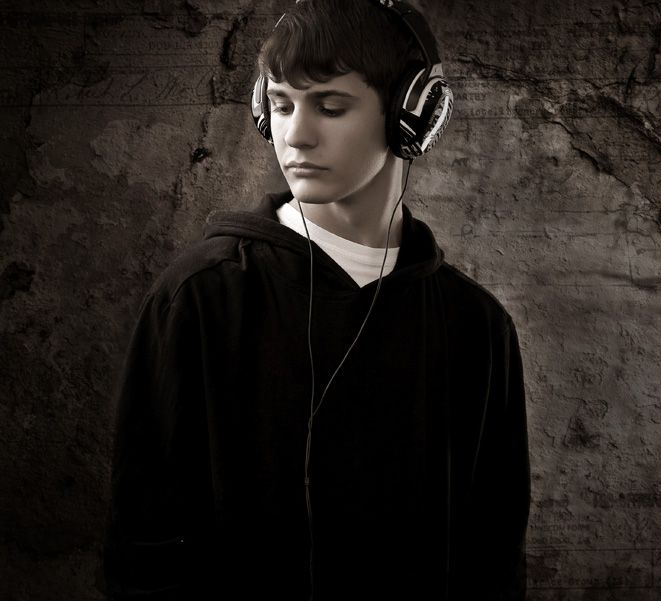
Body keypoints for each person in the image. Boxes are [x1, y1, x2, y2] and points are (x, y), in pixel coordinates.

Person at [103, 0, 531, 599]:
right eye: (280, 105)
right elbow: (141, 551)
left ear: (412, 116)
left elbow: (494, 558)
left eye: (330, 106)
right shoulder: (198, 297)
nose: (295, 135)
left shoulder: (477, 326)